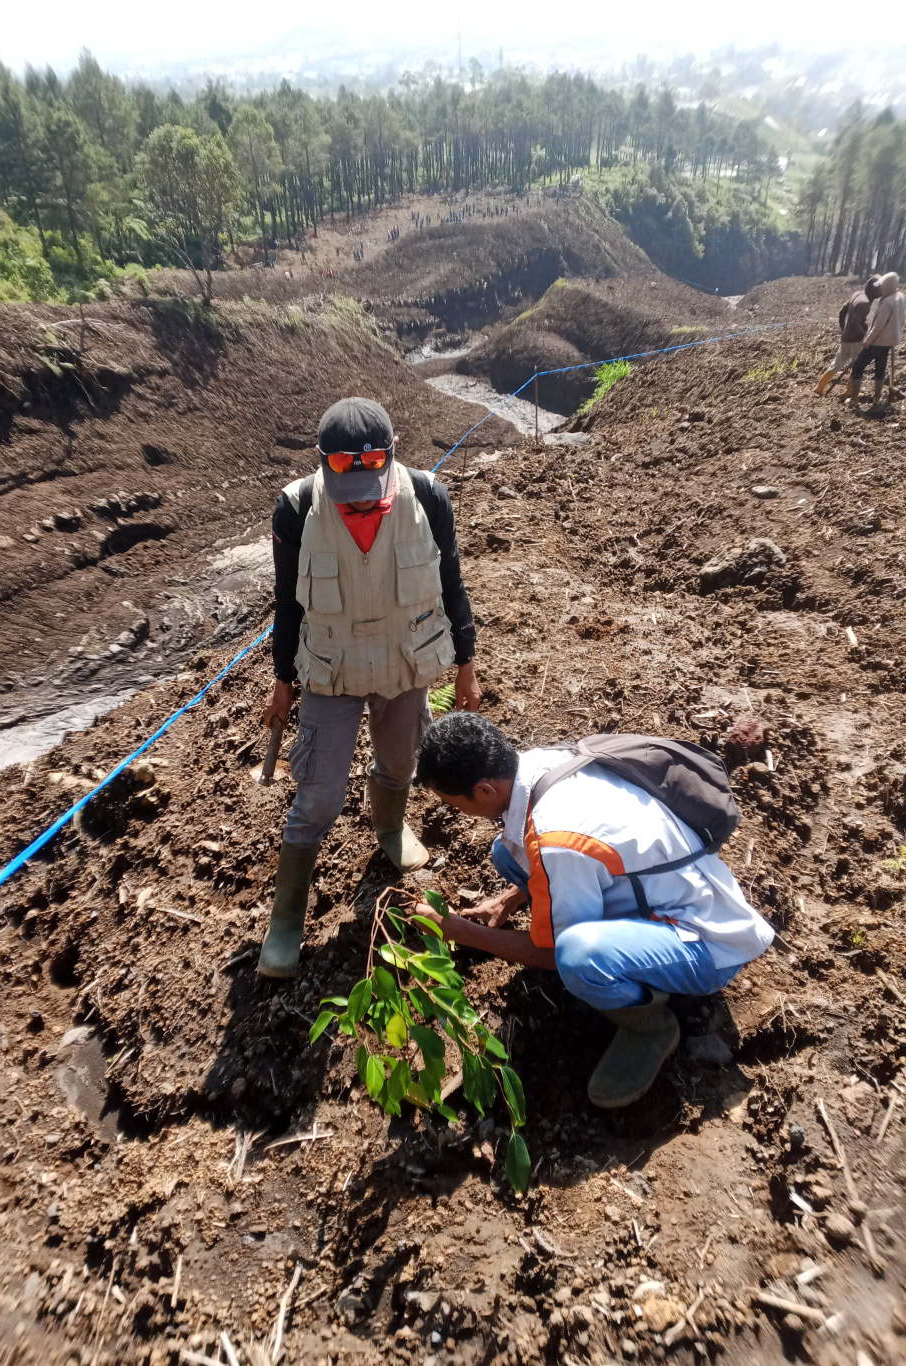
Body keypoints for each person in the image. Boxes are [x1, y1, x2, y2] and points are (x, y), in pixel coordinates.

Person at [413, 714, 774, 1108]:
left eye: (453, 804)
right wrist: (511, 898)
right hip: (682, 884)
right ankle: (610, 939)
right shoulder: (542, 762)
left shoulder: (555, 836)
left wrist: (459, 930)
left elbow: (551, 954)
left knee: (577, 956)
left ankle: (650, 1027)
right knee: (507, 852)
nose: (455, 813)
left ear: (484, 790)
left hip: (705, 940)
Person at [258, 398, 482, 979]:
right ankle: (286, 921)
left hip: (405, 664)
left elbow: (451, 579)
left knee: (399, 762)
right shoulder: (296, 507)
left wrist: (466, 664)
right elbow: (287, 605)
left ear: (392, 455)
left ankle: (388, 825)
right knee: (317, 792)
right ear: (323, 465)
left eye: (369, 482)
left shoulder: (428, 496)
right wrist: (282, 682)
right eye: (345, 482)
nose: (358, 495)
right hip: (330, 672)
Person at [815, 275, 879, 396]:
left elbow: (842, 311)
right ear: (873, 290)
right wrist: (866, 337)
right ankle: (850, 390)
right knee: (857, 365)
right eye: (879, 290)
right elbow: (855, 323)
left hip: (846, 337)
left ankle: (820, 387)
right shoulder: (864, 302)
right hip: (856, 339)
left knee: (837, 363)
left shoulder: (857, 295)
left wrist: (843, 329)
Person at [849, 272, 905, 409]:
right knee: (880, 368)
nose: (880, 290)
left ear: (888, 286)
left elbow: (878, 326)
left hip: (877, 341)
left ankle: (854, 399)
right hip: (890, 341)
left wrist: (868, 340)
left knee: (858, 367)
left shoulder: (887, 302)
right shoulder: (900, 297)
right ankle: (877, 399)